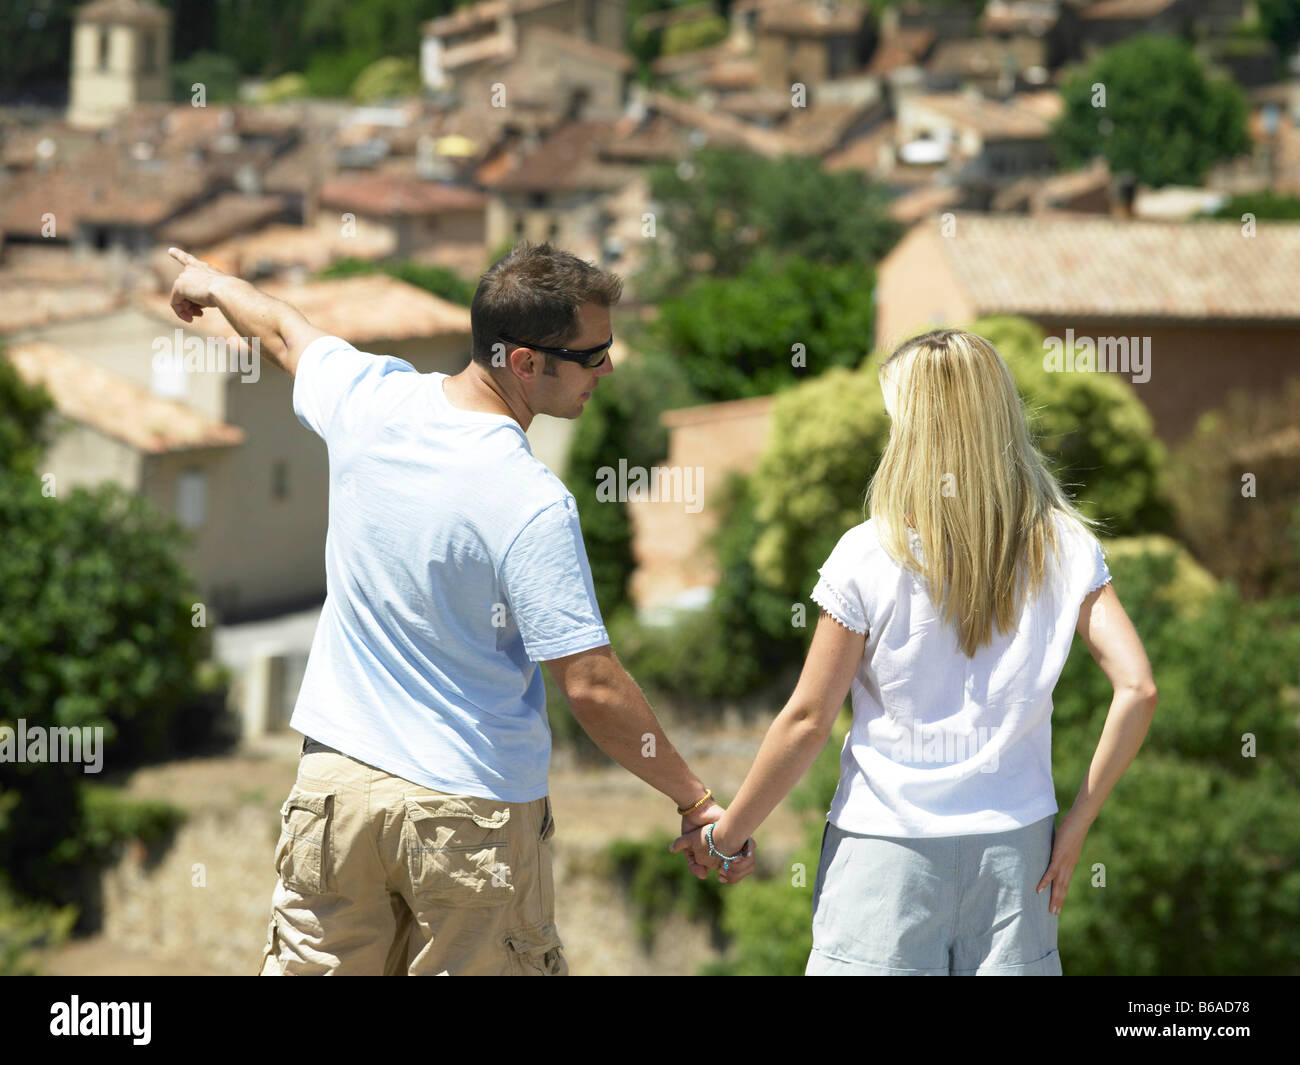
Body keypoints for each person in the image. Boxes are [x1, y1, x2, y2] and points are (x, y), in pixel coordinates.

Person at [165, 241, 754, 976]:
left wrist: (214, 284)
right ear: (527, 363)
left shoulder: (371, 398)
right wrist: (695, 800)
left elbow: (284, 330)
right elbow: (590, 683)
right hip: (469, 811)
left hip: (337, 790)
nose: (608, 367)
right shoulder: (530, 499)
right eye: (593, 353)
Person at [674, 328, 1158, 975]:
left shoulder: (867, 552)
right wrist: (1076, 826)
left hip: (885, 857)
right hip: (1018, 857)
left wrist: (726, 836)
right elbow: (1139, 687)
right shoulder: (1065, 545)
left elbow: (808, 718)